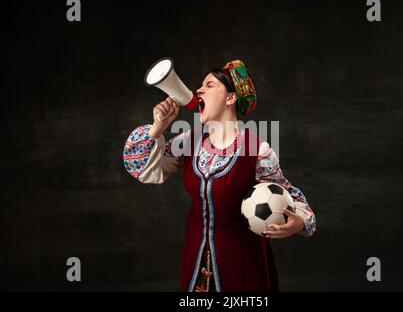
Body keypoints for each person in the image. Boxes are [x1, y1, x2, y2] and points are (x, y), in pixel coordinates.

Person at [123, 59, 316, 292]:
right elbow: (143, 169)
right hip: (196, 260)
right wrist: (157, 127)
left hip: (242, 264)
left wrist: (299, 223)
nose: (198, 90)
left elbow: (289, 195)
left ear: (231, 98)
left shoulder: (258, 150)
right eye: (201, 86)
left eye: (209, 85)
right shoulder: (189, 141)